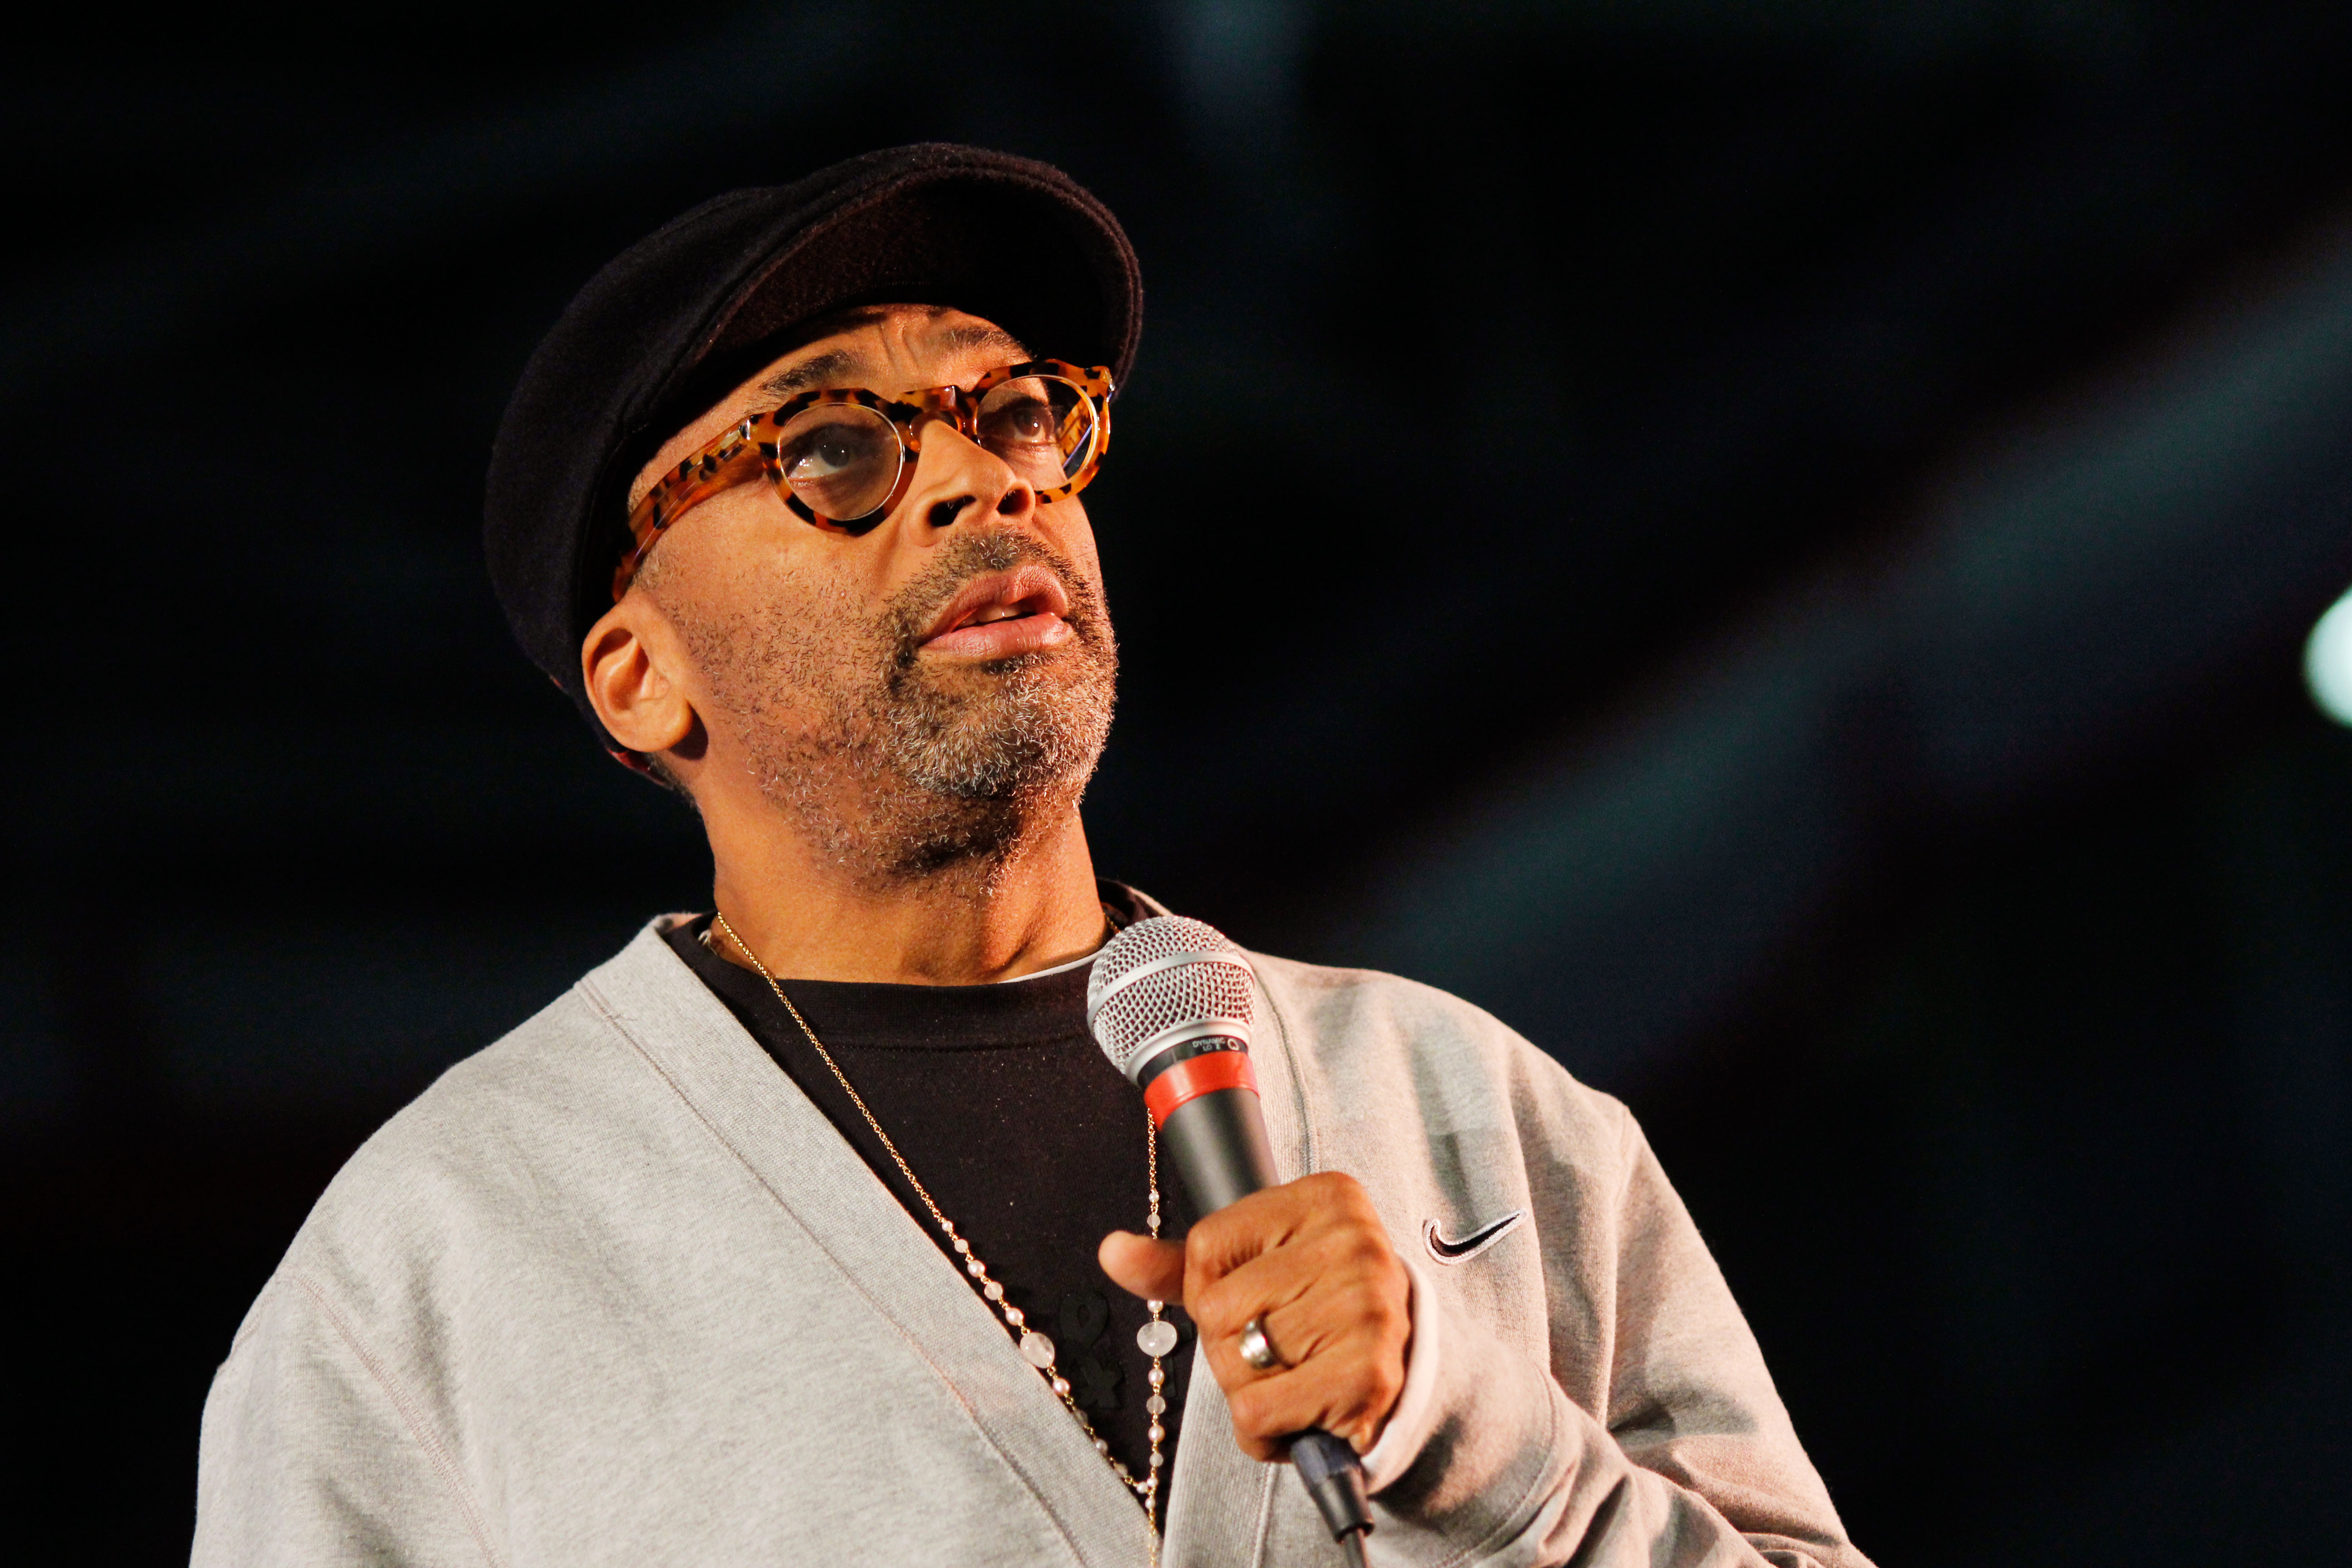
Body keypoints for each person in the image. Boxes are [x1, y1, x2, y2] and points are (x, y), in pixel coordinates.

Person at [192, 143, 1872, 1568]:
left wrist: (1484, 1441)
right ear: (641, 677)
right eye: (830, 447)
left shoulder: (1460, 1102)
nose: (982, 482)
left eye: (1013, 412)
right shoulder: (440, 1266)